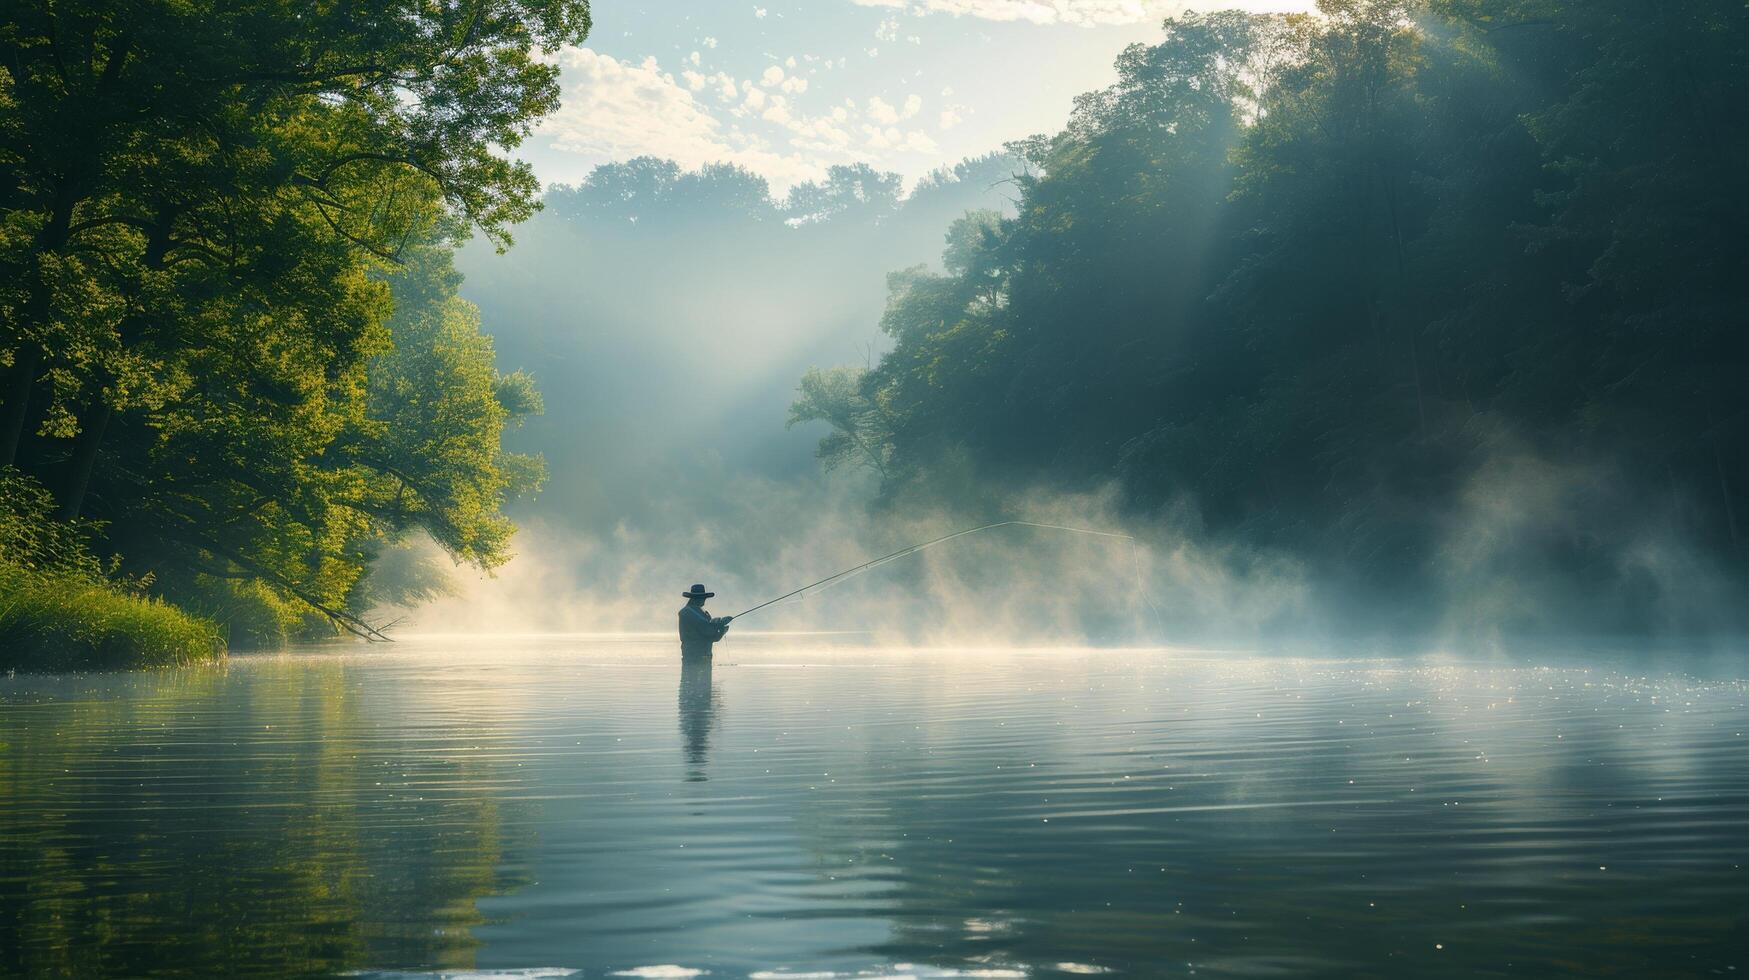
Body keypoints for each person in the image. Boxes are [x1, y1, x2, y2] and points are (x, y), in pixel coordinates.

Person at [678, 584, 732, 659]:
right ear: (696, 598)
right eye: (702, 598)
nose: (704, 600)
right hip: (694, 657)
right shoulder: (687, 612)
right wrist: (720, 623)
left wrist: (720, 626)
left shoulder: (702, 613)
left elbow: (713, 637)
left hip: (704, 655)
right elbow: (708, 630)